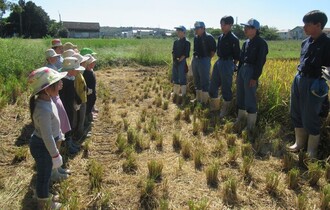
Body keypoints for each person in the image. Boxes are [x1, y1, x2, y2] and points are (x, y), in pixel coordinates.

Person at [288, 10, 330, 158]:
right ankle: (299, 143)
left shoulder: (327, 44)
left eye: (307, 24)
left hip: (315, 83)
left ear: (318, 25)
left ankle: (312, 150)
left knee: (311, 116)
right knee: (296, 111)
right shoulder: (305, 42)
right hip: (299, 78)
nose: (304, 27)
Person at [28, 67, 67, 209]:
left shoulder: (47, 100)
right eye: (57, 82)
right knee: (43, 177)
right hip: (43, 146)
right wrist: (55, 155)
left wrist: (60, 134)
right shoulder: (42, 110)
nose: (60, 83)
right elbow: (47, 136)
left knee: (46, 172)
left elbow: (54, 122)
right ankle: (43, 203)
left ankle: (44, 195)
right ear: (46, 89)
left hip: (46, 145)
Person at [235, 18, 268, 132]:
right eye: (245, 27)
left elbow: (260, 62)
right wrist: (238, 73)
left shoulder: (261, 43)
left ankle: (250, 126)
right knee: (240, 95)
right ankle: (240, 119)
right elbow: (241, 59)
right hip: (243, 69)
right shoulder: (246, 42)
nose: (245, 29)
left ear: (255, 29)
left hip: (252, 70)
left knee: (250, 97)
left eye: (248, 27)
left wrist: (255, 77)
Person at [209, 16, 240, 115]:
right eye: (221, 24)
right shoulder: (220, 37)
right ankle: (215, 107)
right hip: (219, 62)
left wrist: (232, 66)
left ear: (230, 25)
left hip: (227, 63)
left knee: (226, 87)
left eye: (224, 24)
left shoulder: (234, 39)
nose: (222, 26)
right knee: (213, 85)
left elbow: (237, 56)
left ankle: (226, 110)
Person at [59, 57, 85, 153]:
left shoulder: (70, 78)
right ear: (70, 70)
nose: (78, 71)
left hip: (69, 106)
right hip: (65, 108)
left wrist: (78, 100)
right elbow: (62, 97)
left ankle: (70, 142)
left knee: (69, 124)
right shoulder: (63, 81)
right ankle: (66, 146)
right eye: (76, 69)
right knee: (65, 126)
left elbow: (73, 92)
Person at [192, 21, 216, 104]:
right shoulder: (196, 37)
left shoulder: (209, 37)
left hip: (204, 60)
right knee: (196, 80)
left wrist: (207, 59)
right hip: (195, 59)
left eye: (197, 29)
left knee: (204, 80)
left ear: (203, 28)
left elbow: (213, 51)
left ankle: (204, 101)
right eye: (195, 28)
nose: (195, 30)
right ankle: (198, 98)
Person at [171, 25, 191, 97]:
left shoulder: (187, 42)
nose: (178, 32)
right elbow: (173, 51)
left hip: (182, 61)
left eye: (179, 31)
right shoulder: (176, 42)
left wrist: (179, 60)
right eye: (177, 30)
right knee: (175, 76)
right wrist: (174, 60)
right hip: (175, 61)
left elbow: (185, 54)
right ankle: (175, 92)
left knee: (182, 77)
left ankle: (183, 94)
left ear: (184, 32)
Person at [83, 54, 97, 125]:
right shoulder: (86, 73)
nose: (94, 64)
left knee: (90, 104)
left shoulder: (90, 72)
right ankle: (86, 122)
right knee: (87, 107)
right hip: (88, 94)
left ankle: (88, 118)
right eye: (92, 62)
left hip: (91, 93)